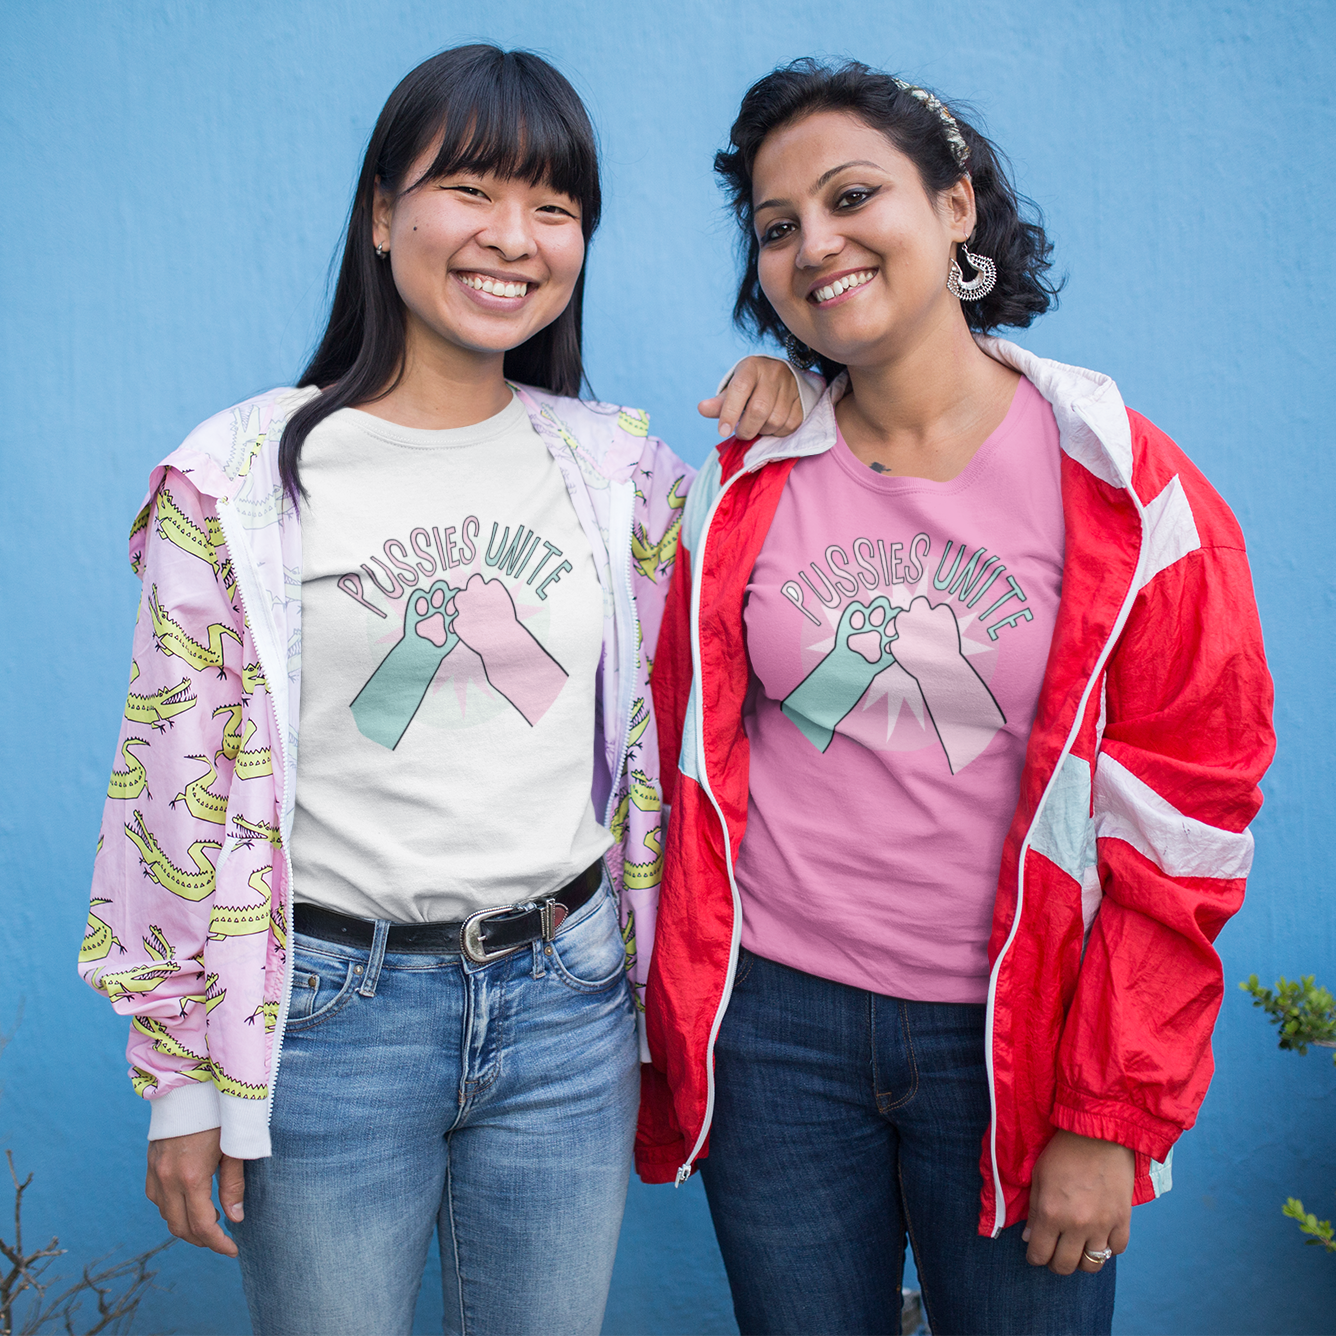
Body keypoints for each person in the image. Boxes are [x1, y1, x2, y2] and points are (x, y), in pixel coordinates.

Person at [78, 45, 803, 1336]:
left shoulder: (619, 470)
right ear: (380, 214)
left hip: (569, 1011)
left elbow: (754, 639)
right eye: (471, 190)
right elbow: (168, 789)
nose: (513, 239)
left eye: (556, 208)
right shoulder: (240, 477)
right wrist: (180, 1080)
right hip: (329, 1020)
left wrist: (798, 411)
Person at [638, 58, 1275, 1336]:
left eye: (851, 195)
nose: (815, 243)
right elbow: (678, 752)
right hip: (775, 1031)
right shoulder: (746, 483)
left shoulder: (1127, 488)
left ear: (959, 206)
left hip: (1015, 1040)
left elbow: (1187, 827)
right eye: (776, 228)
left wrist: (1110, 1112)